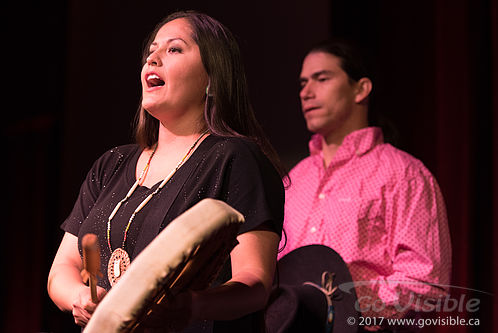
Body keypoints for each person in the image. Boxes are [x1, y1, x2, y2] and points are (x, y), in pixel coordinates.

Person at [47, 10, 285, 332]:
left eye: (174, 49)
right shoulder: (111, 165)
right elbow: (63, 266)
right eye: (151, 52)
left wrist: (192, 306)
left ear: (213, 78)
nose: (153, 59)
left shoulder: (234, 158)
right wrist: (79, 296)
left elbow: (255, 283)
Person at [278, 39, 451, 331]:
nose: (306, 93)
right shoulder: (294, 180)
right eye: (303, 83)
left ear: (361, 88)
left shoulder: (404, 174)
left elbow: (426, 283)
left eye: (322, 79)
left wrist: (348, 302)